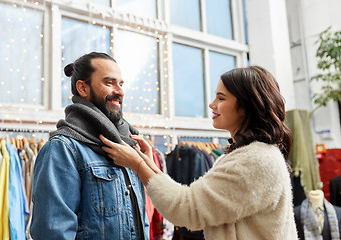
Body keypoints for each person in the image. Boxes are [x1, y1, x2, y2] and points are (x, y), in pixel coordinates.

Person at [99, 66, 298, 239]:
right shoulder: (247, 155)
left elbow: (187, 209)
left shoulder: (256, 160)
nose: (212, 105)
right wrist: (150, 165)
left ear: (247, 106)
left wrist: (138, 165)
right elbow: (194, 201)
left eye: (221, 98)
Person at [30, 52, 149, 240]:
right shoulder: (63, 149)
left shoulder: (129, 147)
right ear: (83, 88)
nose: (120, 91)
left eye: (121, 84)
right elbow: (52, 234)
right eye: (109, 83)